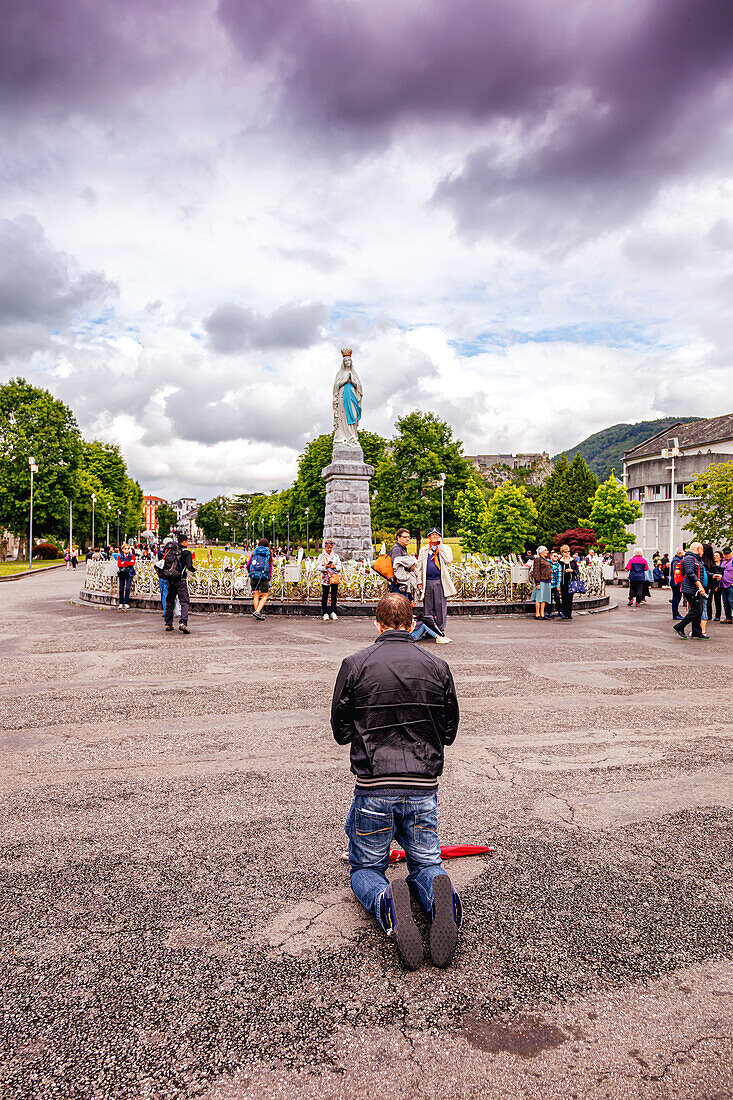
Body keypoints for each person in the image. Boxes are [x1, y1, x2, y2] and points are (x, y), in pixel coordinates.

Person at [331, 592, 462, 970]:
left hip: (375, 783)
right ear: (411, 624)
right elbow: (449, 730)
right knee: (426, 863)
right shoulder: (437, 665)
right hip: (422, 783)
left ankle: (387, 901)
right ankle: (444, 903)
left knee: (366, 870)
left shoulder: (355, 664)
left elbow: (340, 730)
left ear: (378, 624)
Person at [416, 528, 455, 635]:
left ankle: (440, 631)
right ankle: (430, 630)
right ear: (428, 537)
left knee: (440, 607)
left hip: (439, 582)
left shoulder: (445, 548)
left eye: (437, 535)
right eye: (432, 535)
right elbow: (419, 567)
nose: (435, 536)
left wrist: (440, 545)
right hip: (427, 582)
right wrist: (419, 582)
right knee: (428, 608)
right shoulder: (424, 550)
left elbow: (448, 559)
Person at [163, 532, 196, 634]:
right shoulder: (186, 553)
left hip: (170, 579)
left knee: (170, 601)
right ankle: (183, 623)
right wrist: (194, 569)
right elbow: (189, 567)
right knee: (184, 601)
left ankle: (168, 623)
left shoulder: (171, 552)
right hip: (181, 580)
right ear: (185, 542)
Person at [674, 542, 708, 640]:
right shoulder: (689, 558)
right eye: (702, 550)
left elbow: (701, 572)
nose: (703, 552)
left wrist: (713, 575)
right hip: (690, 589)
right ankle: (679, 627)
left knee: (698, 610)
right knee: (696, 610)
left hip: (695, 589)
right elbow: (690, 573)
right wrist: (699, 585)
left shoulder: (696, 559)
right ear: (698, 549)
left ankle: (696, 632)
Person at [247, 537, 272, 620]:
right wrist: (269, 578)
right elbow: (270, 567)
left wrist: (250, 573)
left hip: (254, 575)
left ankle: (257, 612)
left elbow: (248, 564)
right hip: (263, 576)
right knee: (265, 595)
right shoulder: (268, 553)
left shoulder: (255, 552)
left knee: (256, 595)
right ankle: (257, 612)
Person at [318, 539, 342, 621]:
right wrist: (326, 567)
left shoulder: (335, 556)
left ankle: (333, 612)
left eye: (330, 548)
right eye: (327, 548)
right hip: (325, 578)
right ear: (325, 547)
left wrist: (334, 566)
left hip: (334, 577)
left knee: (334, 595)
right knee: (325, 595)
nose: (329, 549)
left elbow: (340, 566)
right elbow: (318, 567)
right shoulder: (321, 556)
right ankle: (325, 613)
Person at [558, 544, 580, 620]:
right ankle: (564, 613)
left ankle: (569, 613)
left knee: (570, 598)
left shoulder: (573, 561)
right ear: (562, 553)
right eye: (565, 552)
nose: (567, 553)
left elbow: (577, 571)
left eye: (568, 551)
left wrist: (572, 571)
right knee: (564, 598)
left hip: (571, 582)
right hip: (563, 582)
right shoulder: (560, 561)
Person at [389, 528, 412, 596]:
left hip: (402, 585)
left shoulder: (402, 549)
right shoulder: (397, 549)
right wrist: (410, 568)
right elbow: (396, 567)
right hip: (398, 586)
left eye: (408, 537)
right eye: (405, 537)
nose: (407, 539)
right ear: (398, 538)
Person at [531, 546, 552, 620]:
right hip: (541, 581)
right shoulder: (537, 559)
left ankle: (542, 614)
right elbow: (536, 571)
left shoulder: (545, 560)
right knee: (539, 598)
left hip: (547, 580)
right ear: (541, 552)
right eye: (545, 550)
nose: (547, 552)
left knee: (544, 598)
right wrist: (537, 583)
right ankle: (537, 614)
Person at [704, 547, 724, 623]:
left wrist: (717, 585)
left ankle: (717, 616)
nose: (715, 557)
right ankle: (709, 615)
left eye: (717, 555)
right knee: (709, 601)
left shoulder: (722, 565)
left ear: (720, 557)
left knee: (717, 601)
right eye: (714, 555)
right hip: (711, 585)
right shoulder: (711, 565)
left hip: (718, 585)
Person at [117, 543, 136, 611]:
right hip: (122, 573)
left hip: (130, 573)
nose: (127, 550)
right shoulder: (120, 556)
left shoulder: (132, 556)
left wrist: (124, 562)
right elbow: (119, 565)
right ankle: (121, 602)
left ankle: (126, 602)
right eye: (125, 548)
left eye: (128, 548)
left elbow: (132, 563)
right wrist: (127, 562)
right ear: (122, 549)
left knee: (128, 588)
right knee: (121, 588)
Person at [670, 546, 684, 620]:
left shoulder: (676, 560)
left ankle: (676, 613)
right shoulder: (676, 561)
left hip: (675, 582)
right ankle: (675, 614)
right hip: (676, 583)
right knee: (676, 598)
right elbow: (676, 572)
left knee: (677, 598)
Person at [721, 547, 733, 624]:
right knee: (725, 602)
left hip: (731, 584)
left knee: (731, 601)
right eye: (725, 554)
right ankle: (728, 617)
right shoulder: (722, 562)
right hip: (723, 585)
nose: (727, 555)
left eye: (728, 553)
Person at [550, 549, 563, 618]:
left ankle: (559, 611)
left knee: (557, 598)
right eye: (554, 556)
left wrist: (558, 585)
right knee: (548, 599)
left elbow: (559, 576)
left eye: (557, 556)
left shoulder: (558, 565)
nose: (556, 557)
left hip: (555, 585)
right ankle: (549, 612)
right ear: (551, 557)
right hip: (548, 585)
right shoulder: (548, 564)